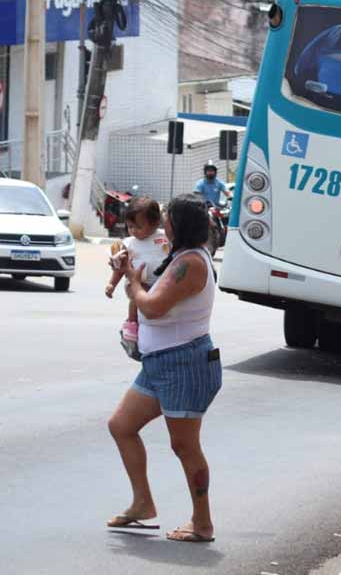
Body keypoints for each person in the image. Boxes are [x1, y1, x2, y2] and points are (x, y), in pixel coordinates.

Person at [106, 194, 221, 543]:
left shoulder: (192, 263)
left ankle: (202, 523)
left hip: (185, 364)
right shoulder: (176, 257)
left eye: (168, 219)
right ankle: (142, 504)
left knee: (184, 446)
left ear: (180, 225)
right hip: (159, 364)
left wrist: (133, 284)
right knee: (121, 426)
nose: (163, 224)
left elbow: (153, 307)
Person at [105, 197, 169, 355]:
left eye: (138, 227)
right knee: (138, 293)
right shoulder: (128, 244)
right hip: (137, 281)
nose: (133, 230)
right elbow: (120, 268)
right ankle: (132, 323)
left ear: (154, 224)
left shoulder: (164, 237)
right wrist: (112, 284)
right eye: (130, 226)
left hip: (160, 282)